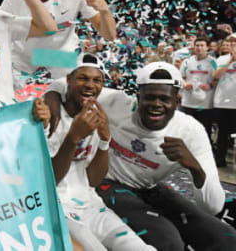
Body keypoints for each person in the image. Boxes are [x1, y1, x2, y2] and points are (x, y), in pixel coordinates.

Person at [95, 62, 236, 250]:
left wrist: (195, 168)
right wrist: (54, 97)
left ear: (177, 102)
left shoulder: (191, 131)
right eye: (149, 98)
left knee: (225, 237)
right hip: (109, 183)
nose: (156, 105)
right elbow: (67, 84)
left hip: (150, 188)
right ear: (137, 97)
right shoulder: (116, 102)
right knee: (167, 241)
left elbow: (213, 207)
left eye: (164, 99)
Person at [47, 53, 155, 250]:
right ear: (68, 80)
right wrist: (72, 139)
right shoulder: (48, 115)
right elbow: (49, 180)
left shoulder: (95, 115)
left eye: (97, 80)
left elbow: (93, 180)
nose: (91, 85)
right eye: (83, 78)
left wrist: (105, 141)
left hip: (92, 205)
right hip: (58, 207)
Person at [179, 36, 217, 143]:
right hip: (187, 102)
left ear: (207, 48)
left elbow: (218, 79)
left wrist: (210, 85)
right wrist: (185, 84)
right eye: (197, 45)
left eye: (202, 45)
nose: (199, 48)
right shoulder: (187, 62)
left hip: (205, 104)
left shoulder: (213, 62)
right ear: (194, 47)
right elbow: (180, 77)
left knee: (204, 131)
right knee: (186, 129)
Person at [213, 33, 236, 167]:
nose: (233, 45)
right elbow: (215, 76)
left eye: (235, 42)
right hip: (223, 102)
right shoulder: (222, 59)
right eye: (231, 42)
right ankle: (220, 159)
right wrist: (230, 62)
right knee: (222, 134)